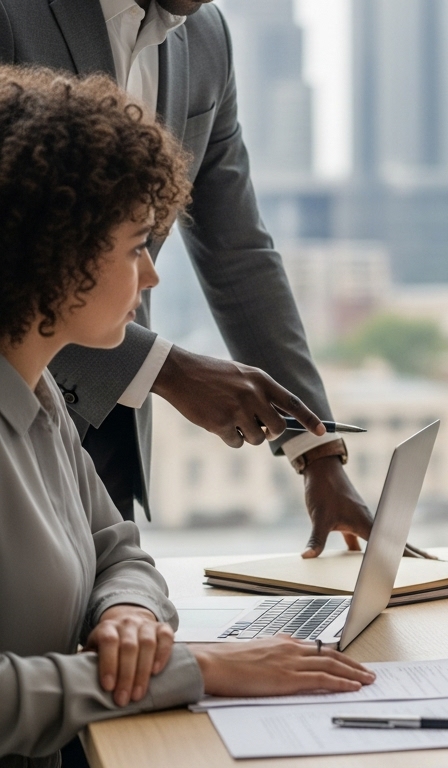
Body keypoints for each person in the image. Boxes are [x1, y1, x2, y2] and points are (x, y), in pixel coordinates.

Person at [0, 67, 377, 768]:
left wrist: (131, 616)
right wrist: (198, 669)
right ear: (52, 252)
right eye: (137, 244)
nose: (152, 277)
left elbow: (118, 547)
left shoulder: (41, 395)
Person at [0, 0, 406, 559]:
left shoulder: (208, 35)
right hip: (15, 404)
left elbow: (238, 251)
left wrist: (317, 452)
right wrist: (166, 369)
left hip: (112, 429)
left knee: (116, 607)